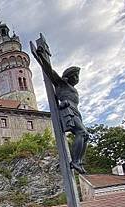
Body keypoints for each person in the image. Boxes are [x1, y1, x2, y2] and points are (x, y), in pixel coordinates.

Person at [33, 43, 89, 174]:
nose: (77, 78)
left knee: (85, 135)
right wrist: (42, 56)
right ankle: (75, 161)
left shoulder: (71, 87)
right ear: (68, 77)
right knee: (81, 133)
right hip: (67, 108)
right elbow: (50, 71)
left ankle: (78, 161)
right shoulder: (62, 84)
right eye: (75, 76)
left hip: (75, 111)